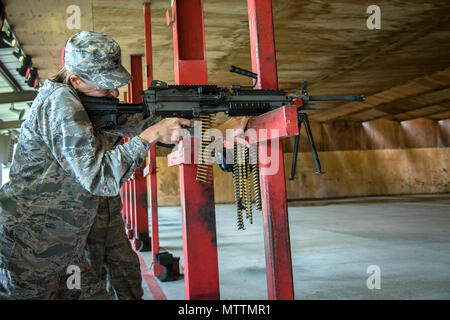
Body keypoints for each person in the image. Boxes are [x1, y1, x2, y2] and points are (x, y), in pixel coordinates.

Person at [0, 30, 248, 299]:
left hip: (63, 248)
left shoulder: (88, 105)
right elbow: (100, 177)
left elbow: (146, 124)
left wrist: (219, 131)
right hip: (29, 252)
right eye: (106, 86)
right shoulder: (60, 102)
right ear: (75, 80)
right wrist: (149, 137)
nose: (114, 92)